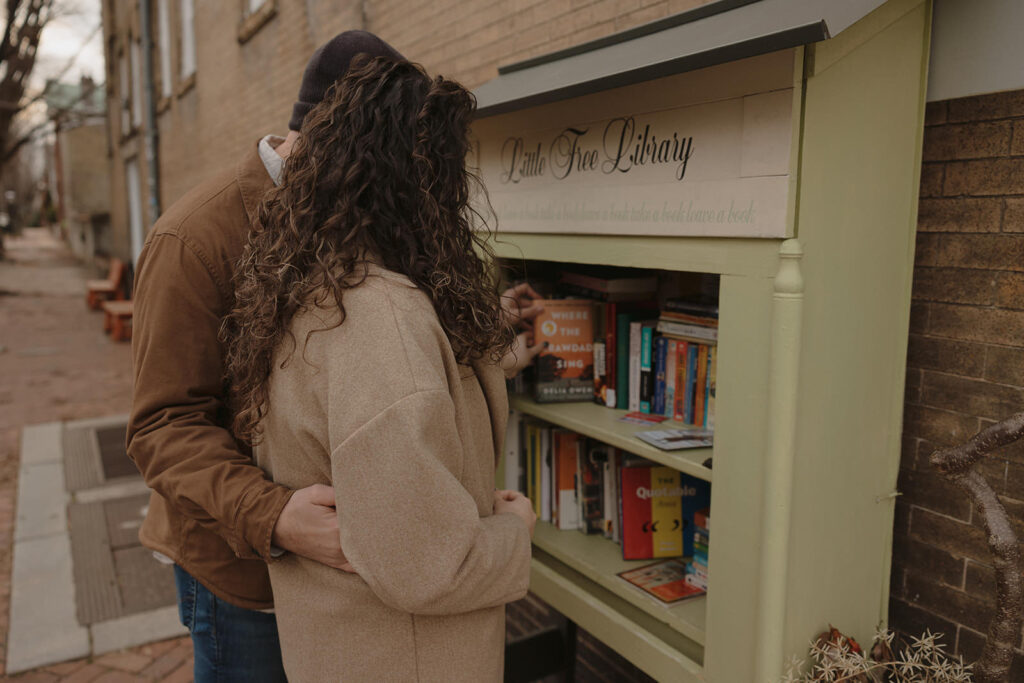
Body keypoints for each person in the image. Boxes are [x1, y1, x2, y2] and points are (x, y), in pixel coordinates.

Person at [221, 55, 537, 682]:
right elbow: (429, 566)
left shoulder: (317, 282)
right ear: (419, 181)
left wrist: (496, 345)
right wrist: (514, 530)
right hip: (403, 655)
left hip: (344, 642)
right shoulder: (381, 318)